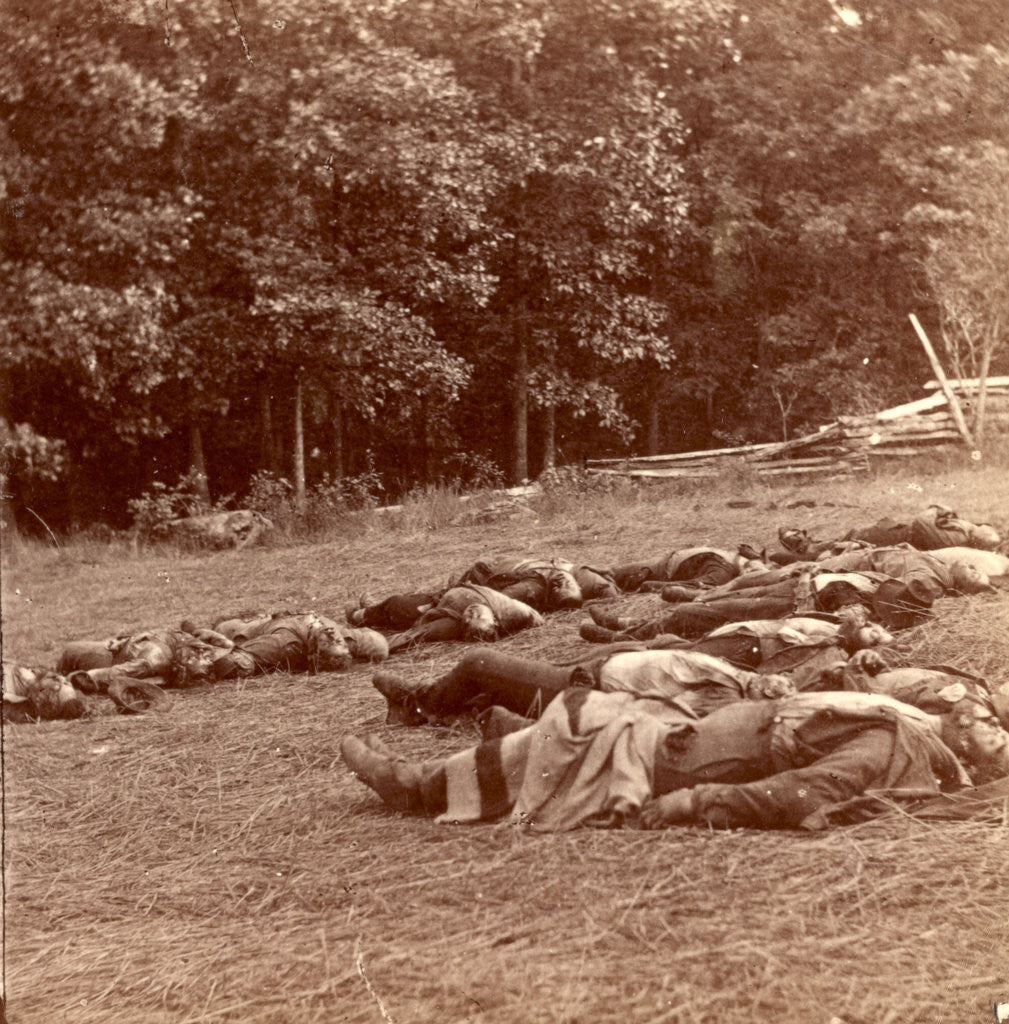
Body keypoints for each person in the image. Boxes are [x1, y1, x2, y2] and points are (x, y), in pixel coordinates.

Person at [341, 686, 1009, 831]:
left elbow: (801, 791)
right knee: (582, 721)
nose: (978, 715)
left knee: (582, 725)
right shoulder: (918, 729)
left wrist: (691, 802)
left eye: (995, 729)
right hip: (704, 739)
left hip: (693, 765)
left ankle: (416, 785)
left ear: (982, 764)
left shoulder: (896, 749)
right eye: (987, 710)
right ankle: (427, 778)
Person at [370, 646, 797, 726]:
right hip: (592, 670)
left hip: (579, 689)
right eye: (781, 681)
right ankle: (453, 710)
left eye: (775, 692)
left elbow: (658, 711)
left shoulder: (726, 696)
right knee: (497, 682)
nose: (775, 683)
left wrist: (590, 686)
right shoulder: (737, 676)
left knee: (479, 662)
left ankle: (417, 703)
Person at [385, 583, 544, 653]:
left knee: (399, 607)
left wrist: (380, 646)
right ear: (495, 621)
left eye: (469, 620)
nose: (471, 613)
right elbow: (535, 617)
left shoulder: (450, 624)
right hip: (470, 584)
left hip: (434, 602)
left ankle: (363, 613)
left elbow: (412, 635)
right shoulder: (510, 611)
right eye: (479, 616)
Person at [209, 611, 367, 675]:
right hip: (274, 613)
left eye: (329, 642)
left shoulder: (285, 643)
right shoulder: (344, 635)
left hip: (239, 628)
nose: (331, 634)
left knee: (222, 625)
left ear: (315, 652)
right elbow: (380, 644)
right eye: (340, 642)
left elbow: (235, 663)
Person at [609, 546, 764, 593]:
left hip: (660, 570)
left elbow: (691, 586)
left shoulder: (722, 574)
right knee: (611, 573)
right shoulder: (737, 557)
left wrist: (653, 585)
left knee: (610, 576)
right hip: (663, 562)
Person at [3, 663, 87, 722]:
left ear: (40, 699)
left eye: (58, 686)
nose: (61, 678)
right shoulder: (34, 677)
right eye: (66, 683)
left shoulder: (9, 693)